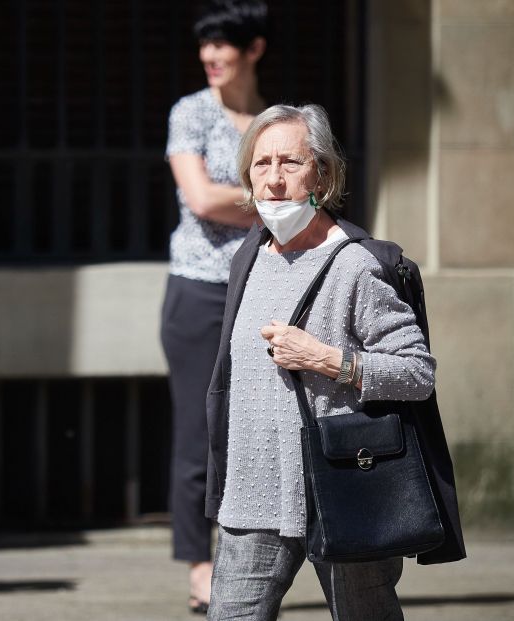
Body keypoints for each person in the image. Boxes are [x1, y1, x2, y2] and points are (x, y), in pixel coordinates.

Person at [204, 103, 444, 620]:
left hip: (343, 489)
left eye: (290, 163)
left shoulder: (355, 265)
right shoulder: (247, 258)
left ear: (323, 173)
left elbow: (417, 373)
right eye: (261, 164)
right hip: (252, 495)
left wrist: (328, 358)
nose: (273, 180)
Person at [160, 0, 267, 613]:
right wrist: (275, 200)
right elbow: (200, 198)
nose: (210, 57)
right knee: (198, 432)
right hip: (198, 289)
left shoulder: (276, 122)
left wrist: (252, 199)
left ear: (253, 49)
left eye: (223, 45)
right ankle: (200, 566)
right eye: (205, 46)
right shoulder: (191, 112)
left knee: (254, 431)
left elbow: (306, 187)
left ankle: (248, 557)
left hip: (260, 287)